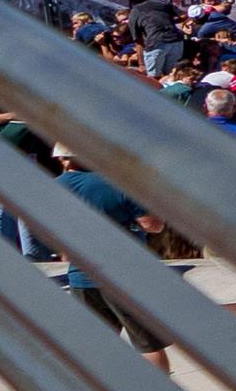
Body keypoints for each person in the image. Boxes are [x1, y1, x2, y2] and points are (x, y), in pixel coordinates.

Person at [55, 142, 171, 372]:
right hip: (125, 277)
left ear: (61, 159)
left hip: (81, 277)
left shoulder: (54, 187)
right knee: (148, 345)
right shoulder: (116, 184)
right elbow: (153, 225)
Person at [124, 0, 184, 78]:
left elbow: (138, 41)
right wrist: (170, 22)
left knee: (154, 79)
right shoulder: (161, 3)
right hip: (175, 41)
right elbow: (184, 15)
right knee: (172, 75)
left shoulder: (134, 13)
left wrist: (141, 64)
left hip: (156, 44)